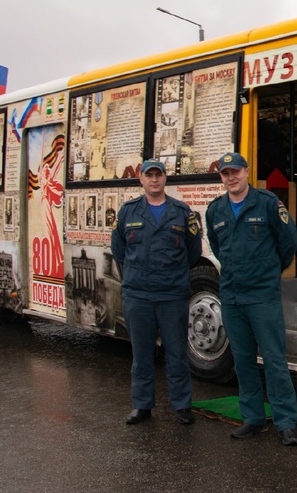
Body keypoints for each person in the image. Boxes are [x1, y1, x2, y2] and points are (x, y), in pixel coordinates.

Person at [205, 151, 297, 446]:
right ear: (221, 178)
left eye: (235, 171)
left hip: (262, 295)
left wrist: (269, 271)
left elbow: (289, 241)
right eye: (225, 174)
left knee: (274, 360)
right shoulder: (215, 210)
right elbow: (218, 248)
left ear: (246, 172)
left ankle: (285, 423)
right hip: (232, 295)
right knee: (243, 360)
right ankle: (253, 418)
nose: (231, 177)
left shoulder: (268, 203)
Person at [111, 158, 202, 426]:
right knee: (141, 354)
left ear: (165, 178)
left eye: (158, 175)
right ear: (141, 179)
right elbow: (119, 250)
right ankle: (142, 405)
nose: (154, 180)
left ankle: (182, 405)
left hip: (172, 295)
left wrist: (172, 275)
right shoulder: (128, 212)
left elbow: (193, 252)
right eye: (149, 175)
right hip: (138, 295)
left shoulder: (182, 212)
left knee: (176, 353)